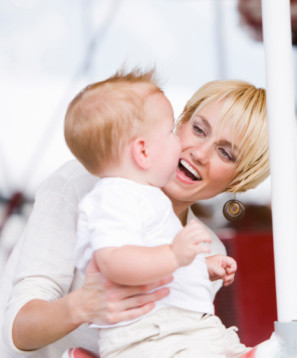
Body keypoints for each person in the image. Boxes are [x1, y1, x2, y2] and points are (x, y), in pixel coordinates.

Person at [0, 71, 269, 357]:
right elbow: (17, 330)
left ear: (240, 180)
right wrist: (82, 305)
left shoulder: (206, 246)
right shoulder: (82, 185)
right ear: (180, 123)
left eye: (225, 153)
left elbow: (175, 337)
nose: (199, 153)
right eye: (199, 130)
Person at [63, 70, 244, 357]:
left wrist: (199, 265)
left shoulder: (143, 196)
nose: (196, 153)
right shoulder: (115, 196)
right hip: (145, 336)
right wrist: (174, 256)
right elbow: (114, 261)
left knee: (221, 344)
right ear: (143, 152)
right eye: (172, 131)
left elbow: (157, 265)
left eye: (225, 152)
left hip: (172, 330)